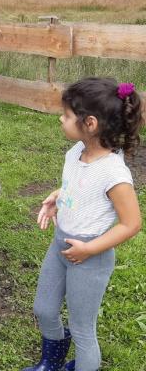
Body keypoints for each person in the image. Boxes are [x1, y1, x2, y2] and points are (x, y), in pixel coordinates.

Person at [22, 78, 142, 371]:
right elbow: (78, 186)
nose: (60, 119)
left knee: (82, 328)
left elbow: (132, 223)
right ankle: (52, 360)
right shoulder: (75, 152)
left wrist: (89, 249)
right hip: (61, 245)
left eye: (65, 115)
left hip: (91, 258)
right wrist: (58, 196)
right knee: (44, 309)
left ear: (89, 123)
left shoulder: (114, 173)